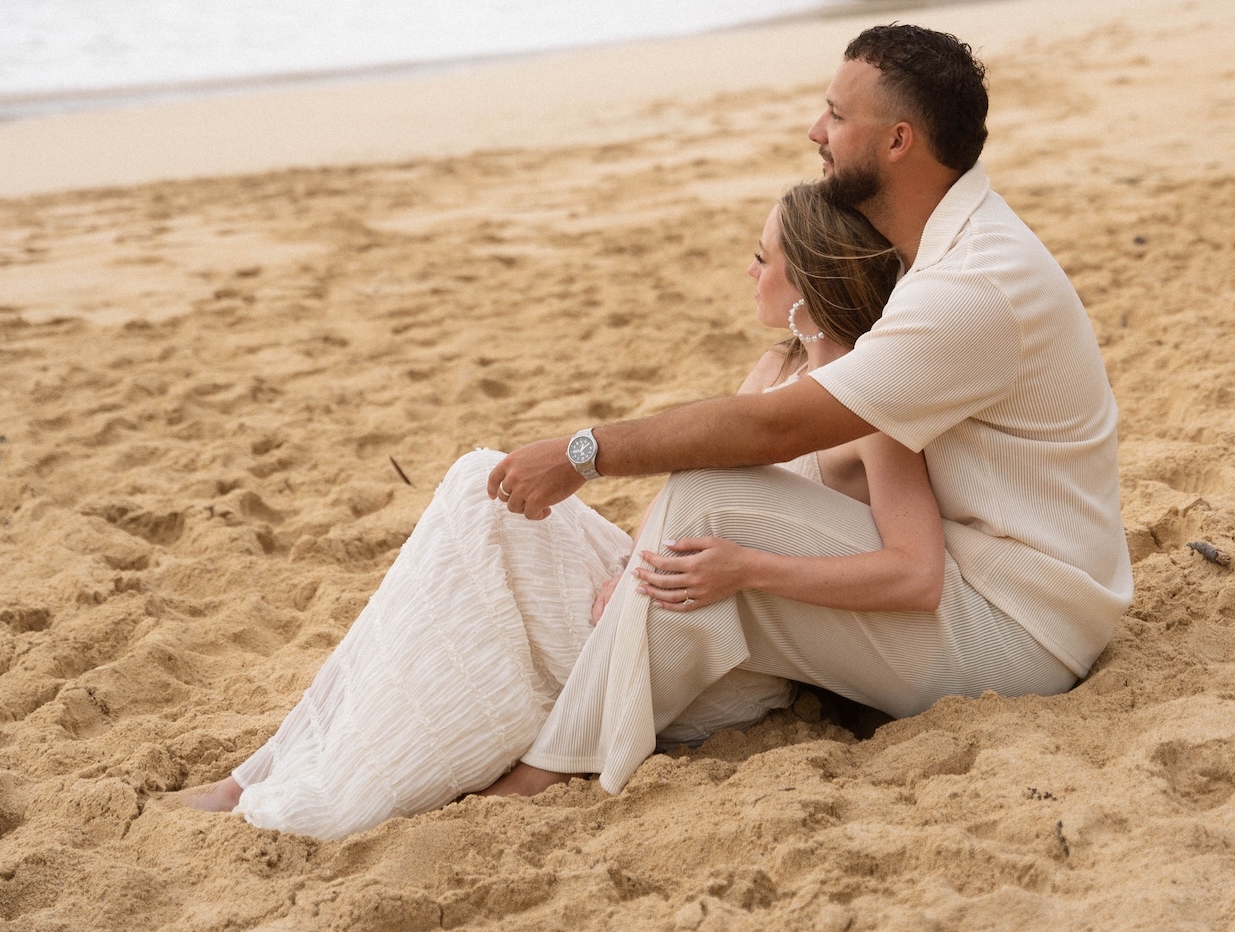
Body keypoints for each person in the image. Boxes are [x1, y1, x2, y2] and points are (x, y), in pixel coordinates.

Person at [483, 23, 1132, 802]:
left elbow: (777, 428)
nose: (814, 131)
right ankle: (571, 716)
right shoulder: (943, 253)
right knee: (666, 524)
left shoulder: (972, 286)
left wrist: (584, 453)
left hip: (1020, 633)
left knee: (708, 506)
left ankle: (554, 770)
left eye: (834, 114)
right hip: (980, 584)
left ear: (897, 140)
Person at [174, 179, 934, 836]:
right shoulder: (774, 367)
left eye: (762, 258)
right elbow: (693, 487)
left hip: (728, 650)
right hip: (667, 584)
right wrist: (628, 561)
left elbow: (912, 574)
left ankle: (340, 780)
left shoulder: (872, 402)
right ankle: (265, 767)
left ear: (803, 284)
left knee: (471, 604)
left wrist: (748, 571)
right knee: (481, 485)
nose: (748, 268)